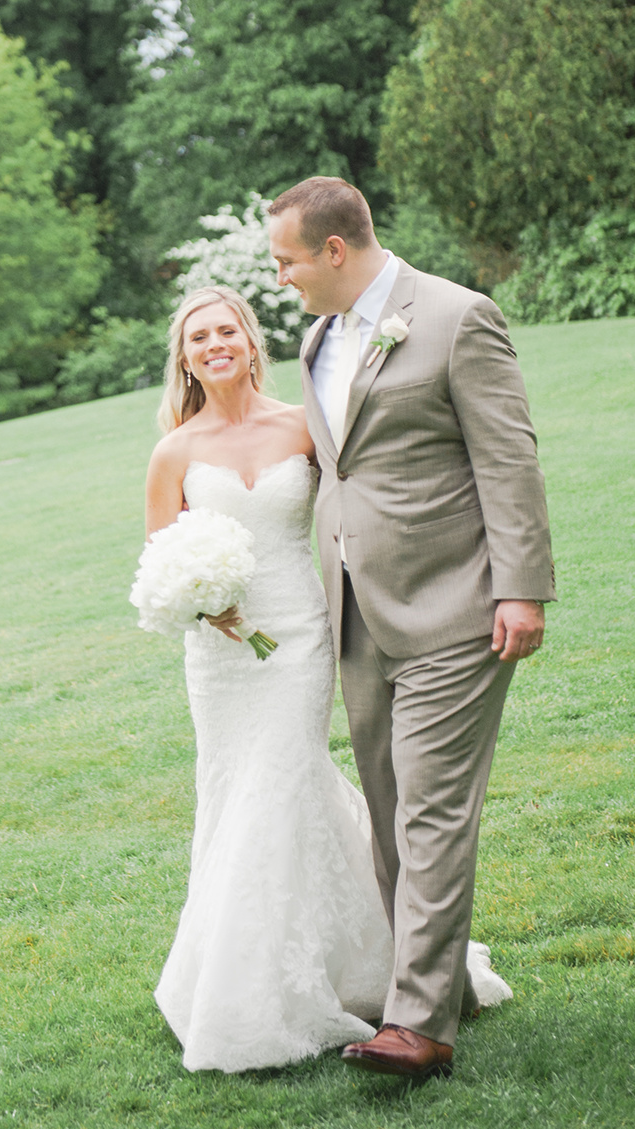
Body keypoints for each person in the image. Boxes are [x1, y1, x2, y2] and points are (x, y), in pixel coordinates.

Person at [142, 285, 512, 1073]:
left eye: (227, 330)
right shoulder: (173, 451)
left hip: (303, 637)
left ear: (250, 342)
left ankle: (310, 983)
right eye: (198, 336)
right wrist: (198, 605)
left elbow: (361, 494)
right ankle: (264, 981)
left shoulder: (302, 425)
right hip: (220, 657)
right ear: (184, 355)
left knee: (284, 783)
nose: (214, 344)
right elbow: (158, 558)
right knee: (238, 792)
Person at [267, 177, 556, 1079]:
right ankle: (443, 985)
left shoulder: (457, 317)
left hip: (455, 604)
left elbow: (509, 459)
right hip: (356, 613)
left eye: (286, 262)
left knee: (431, 812)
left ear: (335, 251)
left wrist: (522, 589)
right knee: (390, 820)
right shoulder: (318, 338)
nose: (282, 281)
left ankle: (418, 1026)